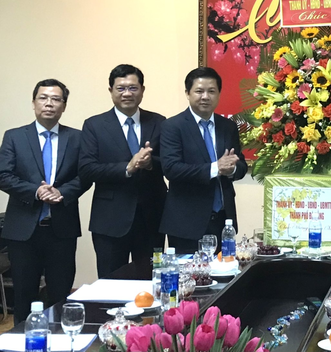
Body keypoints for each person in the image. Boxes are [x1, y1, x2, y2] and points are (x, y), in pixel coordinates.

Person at [0, 79, 90, 325]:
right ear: (33, 102)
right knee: (24, 296)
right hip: (23, 233)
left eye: (56, 99)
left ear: (64, 106)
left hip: (60, 230)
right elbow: (3, 175)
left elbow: (85, 176)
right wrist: (35, 191)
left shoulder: (77, 138)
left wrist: (62, 192)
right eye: (43, 98)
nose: (49, 103)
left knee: (60, 297)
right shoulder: (15, 137)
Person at [79, 64, 167, 279]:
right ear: (111, 91)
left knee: (151, 280)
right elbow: (87, 168)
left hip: (151, 217)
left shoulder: (160, 122)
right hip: (110, 220)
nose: (127, 93)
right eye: (120, 88)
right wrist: (127, 168)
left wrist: (150, 164)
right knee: (110, 282)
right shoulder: (94, 125)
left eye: (133, 88)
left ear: (142, 90)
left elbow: (172, 163)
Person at [159, 67, 247, 253]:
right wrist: (216, 168)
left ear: (219, 94)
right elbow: (171, 169)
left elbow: (241, 166)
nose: (205, 96)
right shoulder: (172, 126)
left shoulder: (228, 126)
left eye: (211, 91)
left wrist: (231, 169)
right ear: (188, 93)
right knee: (190, 278)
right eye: (199, 91)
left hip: (224, 220)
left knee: (225, 276)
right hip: (186, 223)